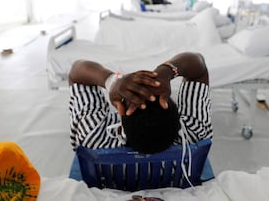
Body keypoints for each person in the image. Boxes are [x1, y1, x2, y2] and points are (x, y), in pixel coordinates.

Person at [68, 52, 213, 153]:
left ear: (122, 119)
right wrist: (166, 71)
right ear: (178, 123)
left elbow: (76, 72)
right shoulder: (194, 132)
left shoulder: (94, 135)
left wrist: (111, 81)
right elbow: (199, 67)